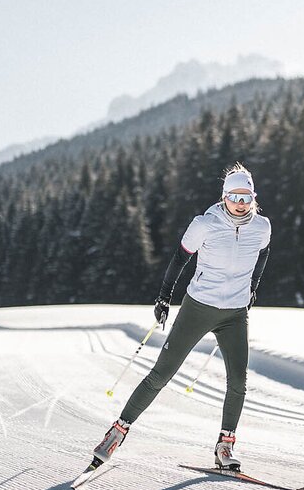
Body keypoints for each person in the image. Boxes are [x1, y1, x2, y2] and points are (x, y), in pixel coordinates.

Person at [90, 163, 271, 471]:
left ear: (253, 198)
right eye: (234, 198)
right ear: (224, 197)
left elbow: (263, 254)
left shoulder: (262, 227)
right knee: (161, 374)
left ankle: (224, 446)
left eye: (246, 198)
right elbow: (180, 258)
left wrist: (252, 287)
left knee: (238, 380)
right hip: (198, 307)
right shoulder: (205, 224)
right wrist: (164, 296)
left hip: (235, 314)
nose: (240, 205)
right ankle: (118, 430)